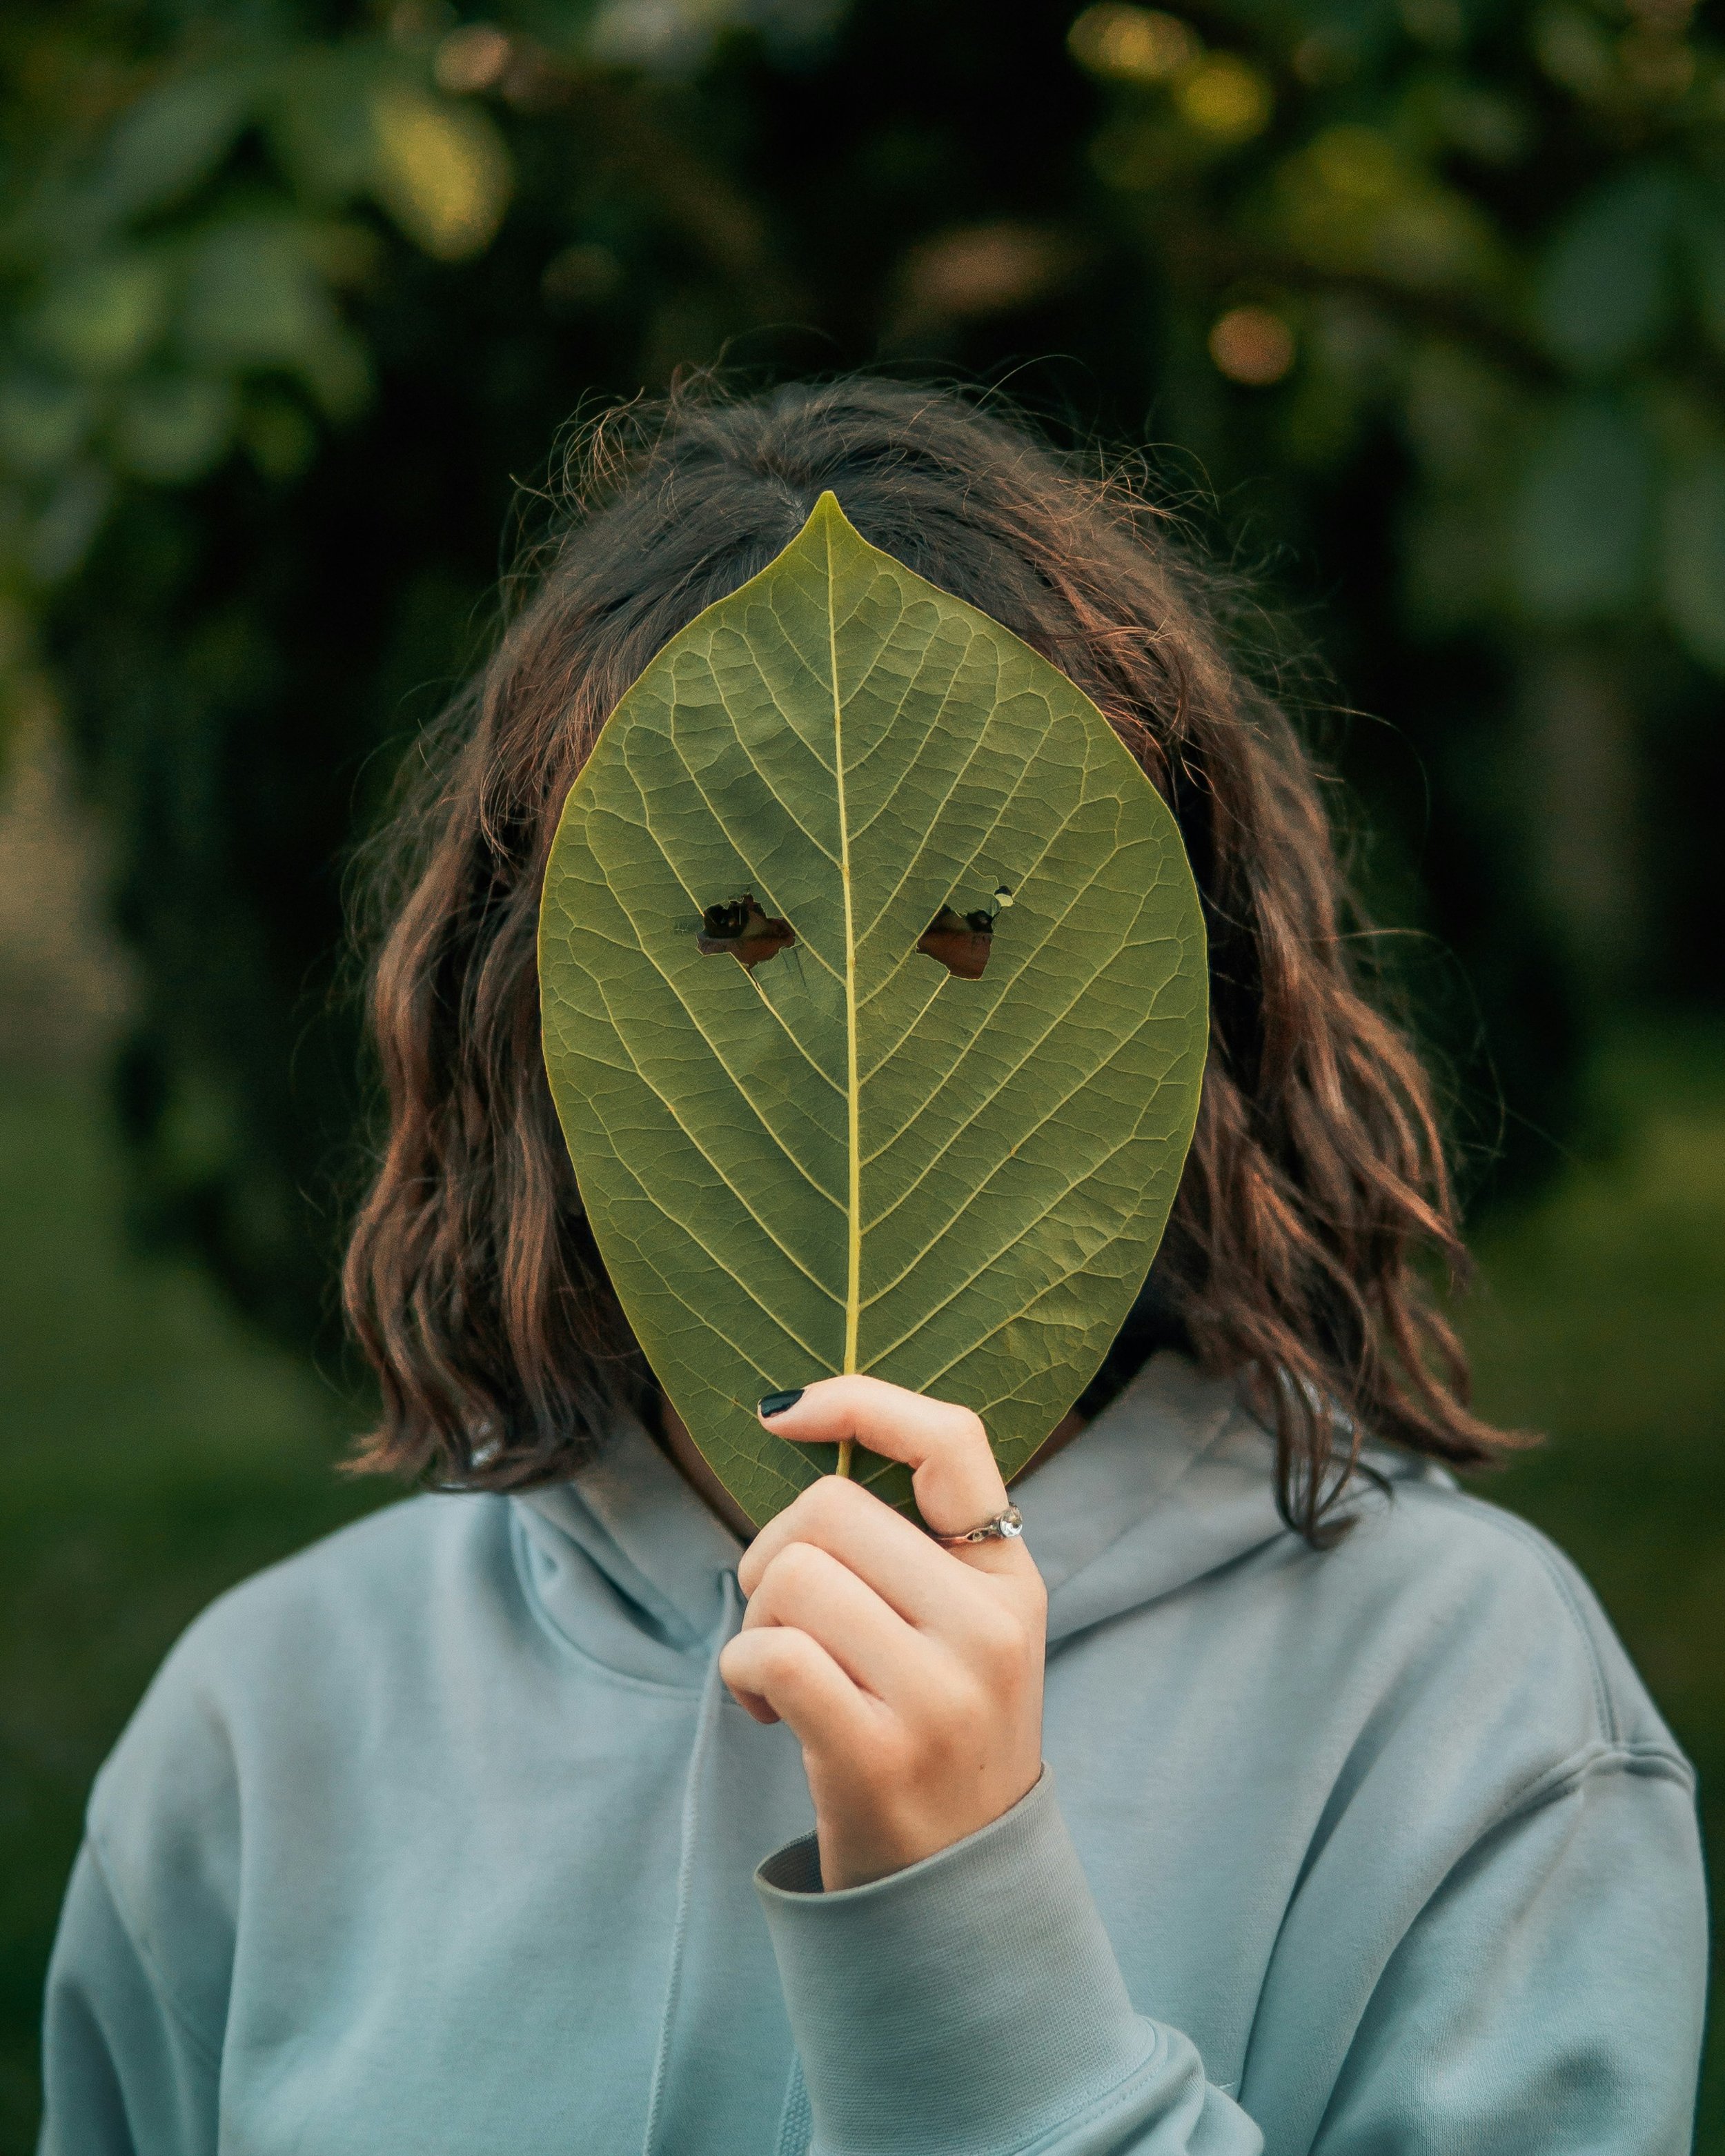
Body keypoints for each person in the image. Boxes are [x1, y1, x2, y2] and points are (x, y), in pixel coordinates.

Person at [37, 381, 1706, 2156]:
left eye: (974, 935)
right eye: (724, 928)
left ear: (1184, 996)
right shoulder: (269, 1724)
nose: (846, 1028)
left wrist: (967, 1946)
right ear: (529, 1007)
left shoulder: (1466, 1707)